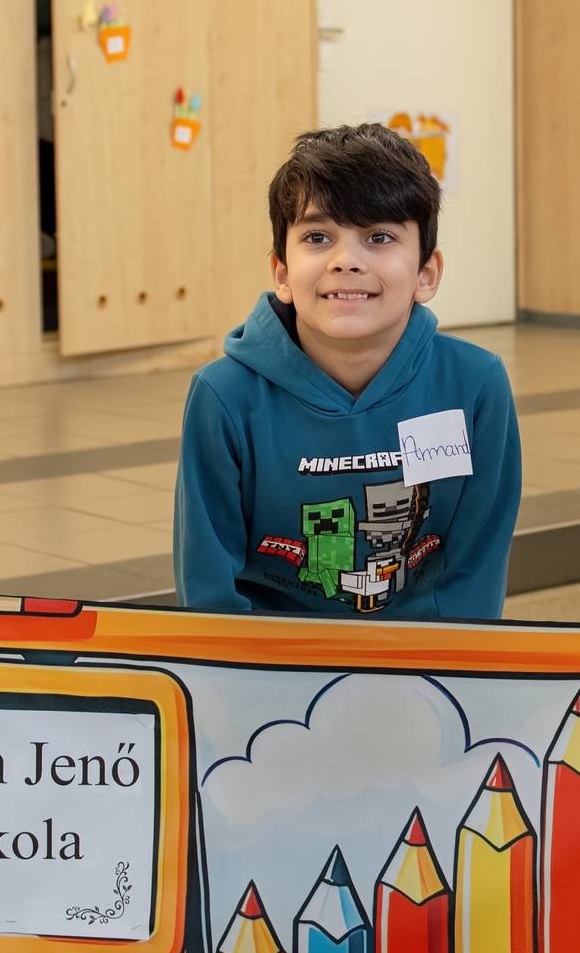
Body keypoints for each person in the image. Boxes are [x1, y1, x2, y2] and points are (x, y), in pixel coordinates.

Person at [174, 123, 522, 619]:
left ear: (426, 274)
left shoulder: (475, 385)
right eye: (318, 237)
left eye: (379, 237)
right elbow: (209, 589)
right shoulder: (224, 396)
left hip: (427, 653)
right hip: (268, 656)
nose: (346, 261)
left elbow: (477, 572)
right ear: (282, 274)